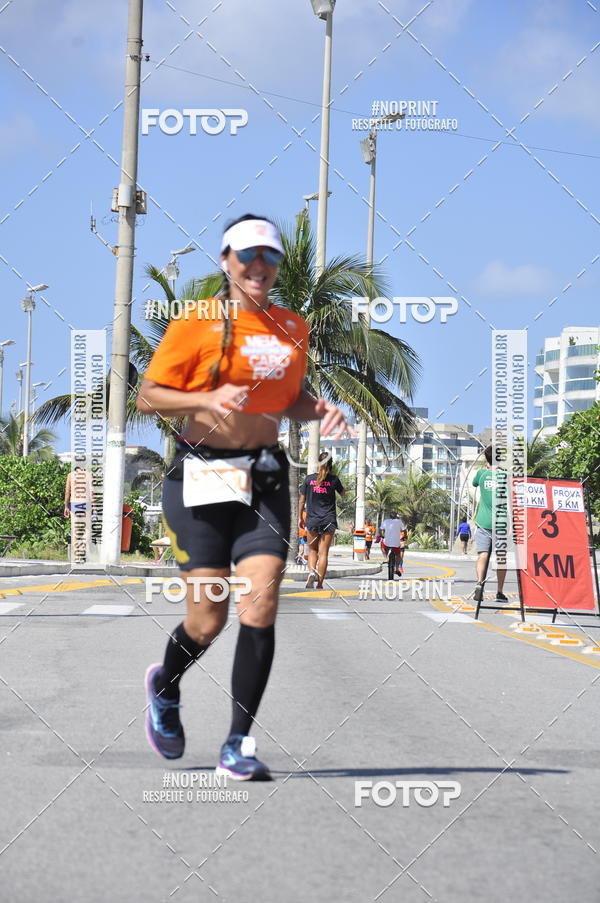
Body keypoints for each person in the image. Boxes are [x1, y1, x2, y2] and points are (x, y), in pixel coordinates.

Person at [137, 214, 347, 779]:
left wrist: (320, 408)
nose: (260, 267)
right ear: (227, 260)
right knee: (206, 620)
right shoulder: (196, 322)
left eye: (270, 258)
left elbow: (288, 399)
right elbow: (147, 397)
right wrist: (203, 404)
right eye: (249, 256)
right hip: (199, 478)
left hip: (265, 479)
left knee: (262, 605)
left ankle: (237, 744)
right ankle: (167, 685)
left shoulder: (291, 328)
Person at [298, 451, 344, 589]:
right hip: (329, 520)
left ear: (319, 463)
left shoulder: (308, 480)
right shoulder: (334, 480)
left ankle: (312, 572)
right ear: (331, 464)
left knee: (312, 550)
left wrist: (300, 517)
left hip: (312, 520)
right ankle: (320, 584)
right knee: (323, 553)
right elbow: (343, 493)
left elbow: (301, 501)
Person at [472, 445, 508, 603]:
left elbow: (474, 483)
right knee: (501, 557)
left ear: (486, 458)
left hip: (483, 522)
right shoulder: (506, 475)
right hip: (501, 523)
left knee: (483, 554)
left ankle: (480, 583)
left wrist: (487, 468)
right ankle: (499, 592)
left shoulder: (481, 474)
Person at [380, 512, 406, 577]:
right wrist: (405, 535)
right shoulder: (399, 522)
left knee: (382, 546)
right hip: (396, 543)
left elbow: (380, 529)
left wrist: (381, 535)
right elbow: (404, 530)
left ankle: (386, 558)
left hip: (387, 542)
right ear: (396, 517)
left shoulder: (385, 521)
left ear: (390, 516)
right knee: (398, 555)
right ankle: (397, 568)